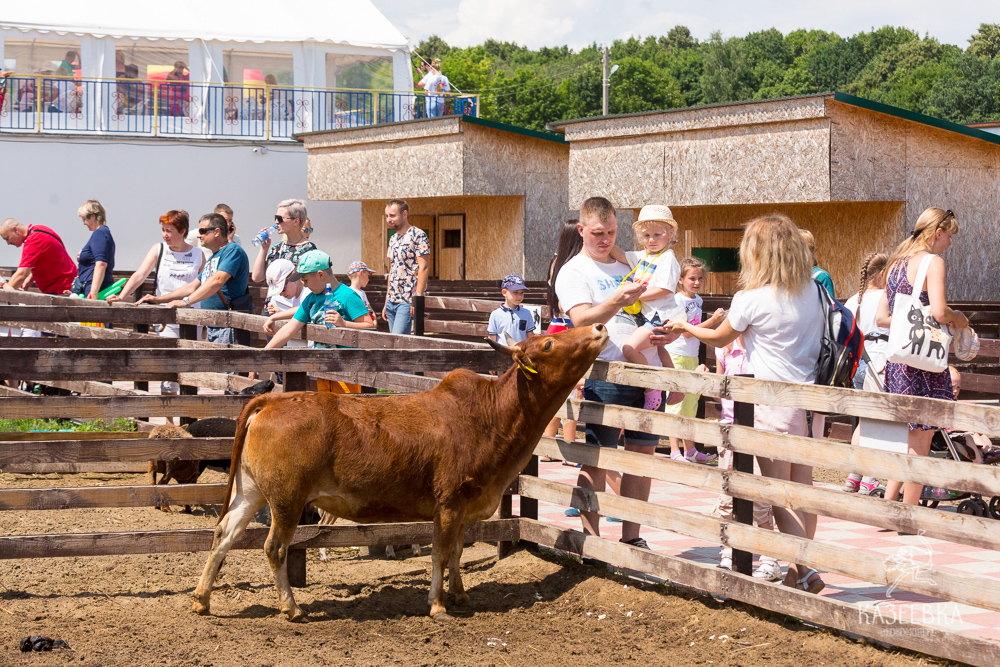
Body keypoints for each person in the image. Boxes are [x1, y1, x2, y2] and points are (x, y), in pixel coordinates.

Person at [669, 214, 826, 593]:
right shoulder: (816, 292)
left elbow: (721, 339)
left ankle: (805, 569)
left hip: (768, 401)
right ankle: (799, 567)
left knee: (776, 493)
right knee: (802, 491)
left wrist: (684, 327)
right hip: (809, 400)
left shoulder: (751, 298)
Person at [554, 196, 682, 553]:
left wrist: (666, 338)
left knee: (642, 457)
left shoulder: (633, 263)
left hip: (647, 371)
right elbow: (580, 322)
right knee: (597, 456)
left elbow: (656, 307)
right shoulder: (574, 271)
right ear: (581, 230)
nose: (605, 239)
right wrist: (618, 300)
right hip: (607, 373)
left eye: (611, 231)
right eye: (597, 232)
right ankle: (589, 539)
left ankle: (631, 537)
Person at [876, 208, 969, 512]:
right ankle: (907, 515)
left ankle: (889, 507)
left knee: (908, 438)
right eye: (949, 236)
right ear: (937, 232)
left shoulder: (894, 264)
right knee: (921, 441)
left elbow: (882, 318)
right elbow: (941, 312)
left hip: (899, 360)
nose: (950, 244)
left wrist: (911, 318)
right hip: (924, 361)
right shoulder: (933, 262)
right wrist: (960, 319)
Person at [712, 334, 783, 581]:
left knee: (760, 499)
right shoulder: (723, 350)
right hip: (730, 428)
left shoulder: (762, 351)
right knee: (727, 497)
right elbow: (720, 388)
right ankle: (728, 551)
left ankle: (769, 557)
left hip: (758, 429)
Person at [261, 250, 375, 392]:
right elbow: (289, 329)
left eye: (306, 280)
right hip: (322, 369)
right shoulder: (311, 299)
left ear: (320, 275)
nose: (305, 285)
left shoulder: (348, 296)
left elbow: (369, 326)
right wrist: (263, 354)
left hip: (346, 371)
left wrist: (345, 324)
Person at [136, 213, 250, 345]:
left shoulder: (232, 250)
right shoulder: (213, 257)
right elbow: (192, 286)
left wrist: (186, 301)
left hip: (227, 326)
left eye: (202, 231)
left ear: (217, 232)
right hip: (212, 326)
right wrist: (158, 300)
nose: (198, 235)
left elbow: (217, 281)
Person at [608, 205, 683, 403]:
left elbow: (665, 289)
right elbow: (620, 254)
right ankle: (678, 386)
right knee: (659, 349)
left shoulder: (667, 258)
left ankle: (652, 387)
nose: (651, 240)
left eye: (657, 234)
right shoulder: (643, 256)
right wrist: (606, 241)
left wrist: (635, 295)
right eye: (647, 235)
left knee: (629, 348)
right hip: (652, 315)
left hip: (660, 314)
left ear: (670, 234)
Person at [662, 257, 724, 463]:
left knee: (690, 403)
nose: (696, 283)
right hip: (677, 353)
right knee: (676, 403)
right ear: (680, 279)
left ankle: (690, 451)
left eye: (700, 279)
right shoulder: (676, 300)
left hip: (691, 355)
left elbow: (695, 331)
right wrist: (713, 321)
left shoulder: (697, 300)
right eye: (692, 278)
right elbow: (686, 332)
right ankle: (674, 450)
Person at [107, 209, 204, 337]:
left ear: (182, 231)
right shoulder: (159, 249)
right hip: (165, 314)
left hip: (192, 315)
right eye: (163, 230)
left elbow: (204, 283)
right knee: (169, 354)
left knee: (192, 355)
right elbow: (140, 275)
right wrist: (121, 296)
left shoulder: (198, 254)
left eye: (169, 231)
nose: (164, 235)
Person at [842, 252, 890, 494]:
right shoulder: (887, 297)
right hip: (880, 364)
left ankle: (854, 475)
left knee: (863, 421)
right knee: (878, 422)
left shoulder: (853, 300)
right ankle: (870, 477)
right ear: (882, 274)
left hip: (859, 363)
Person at [542, 220, 585, 463]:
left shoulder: (555, 262)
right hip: (568, 330)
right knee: (573, 392)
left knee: (558, 392)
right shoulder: (573, 264)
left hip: (555, 327)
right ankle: (570, 449)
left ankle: (548, 447)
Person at [251, 200, 316, 315]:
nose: (276, 222)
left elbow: (310, 285)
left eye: (280, 218)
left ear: (296, 221)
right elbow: (257, 277)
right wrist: (264, 249)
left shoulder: (308, 249)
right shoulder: (277, 247)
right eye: (275, 218)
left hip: (292, 312)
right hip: (271, 308)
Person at [382, 199, 430, 335]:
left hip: (407, 299)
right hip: (392, 299)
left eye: (392, 216)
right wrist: (386, 300)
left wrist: (418, 298)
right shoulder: (393, 239)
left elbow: (424, 268)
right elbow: (392, 269)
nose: (388, 219)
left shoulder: (418, 235)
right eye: (386, 216)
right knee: (394, 344)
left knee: (397, 340)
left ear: (404, 214)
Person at [1, 218, 77, 295]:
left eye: (7, 238)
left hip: (60, 288)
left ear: (15, 230)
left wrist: (5, 291)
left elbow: (22, 274)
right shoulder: (39, 229)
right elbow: (48, 258)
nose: (8, 243)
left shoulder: (33, 240)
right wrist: (31, 276)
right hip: (68, 283)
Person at [72, 200, 116, 299]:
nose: (84, 223)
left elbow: (101, 264)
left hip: (97, 291)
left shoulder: (99, 233)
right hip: (88, 289)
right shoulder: (103, 232)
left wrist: (93, 293)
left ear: (92, 216)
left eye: (84, 219)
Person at [487, 274, 536, 343]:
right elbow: (492, 339)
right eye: (515, 292)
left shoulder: (526, 313)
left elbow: (530, 336)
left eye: (521, 292)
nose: (519, 296)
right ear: (504, 292)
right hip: (502, 353)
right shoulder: (495, 315)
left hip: (521, 352)